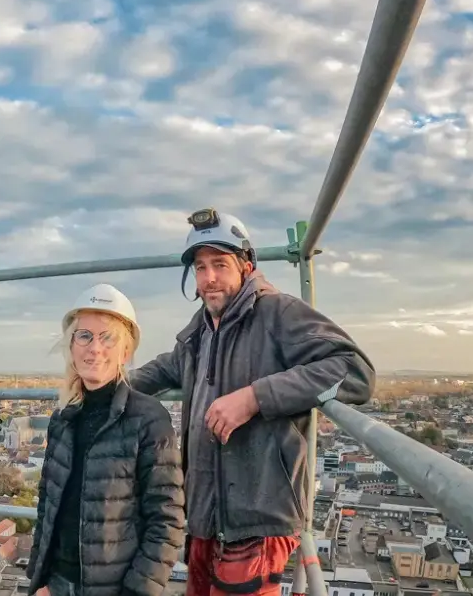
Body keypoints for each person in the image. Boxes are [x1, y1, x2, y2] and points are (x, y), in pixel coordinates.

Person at [129, 208, 376, 596]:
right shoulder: (201, 332)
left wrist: (256, 397)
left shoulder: (277, 313)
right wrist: (99, 387)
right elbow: (161, 370)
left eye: (220, 264)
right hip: (204, 520)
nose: (209, 278)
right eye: (200, 267)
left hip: (257, 523)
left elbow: (354, 370)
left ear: (246, 265)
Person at [26, 285, 185, 596]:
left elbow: (167, 521)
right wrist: (39, 579)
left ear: (125, 351)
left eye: (107, 337)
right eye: (84, 336)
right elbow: (48, 506)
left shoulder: (148, 418)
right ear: (71, 346)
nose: (94, 348)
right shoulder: (62, 418)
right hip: (57, 582)